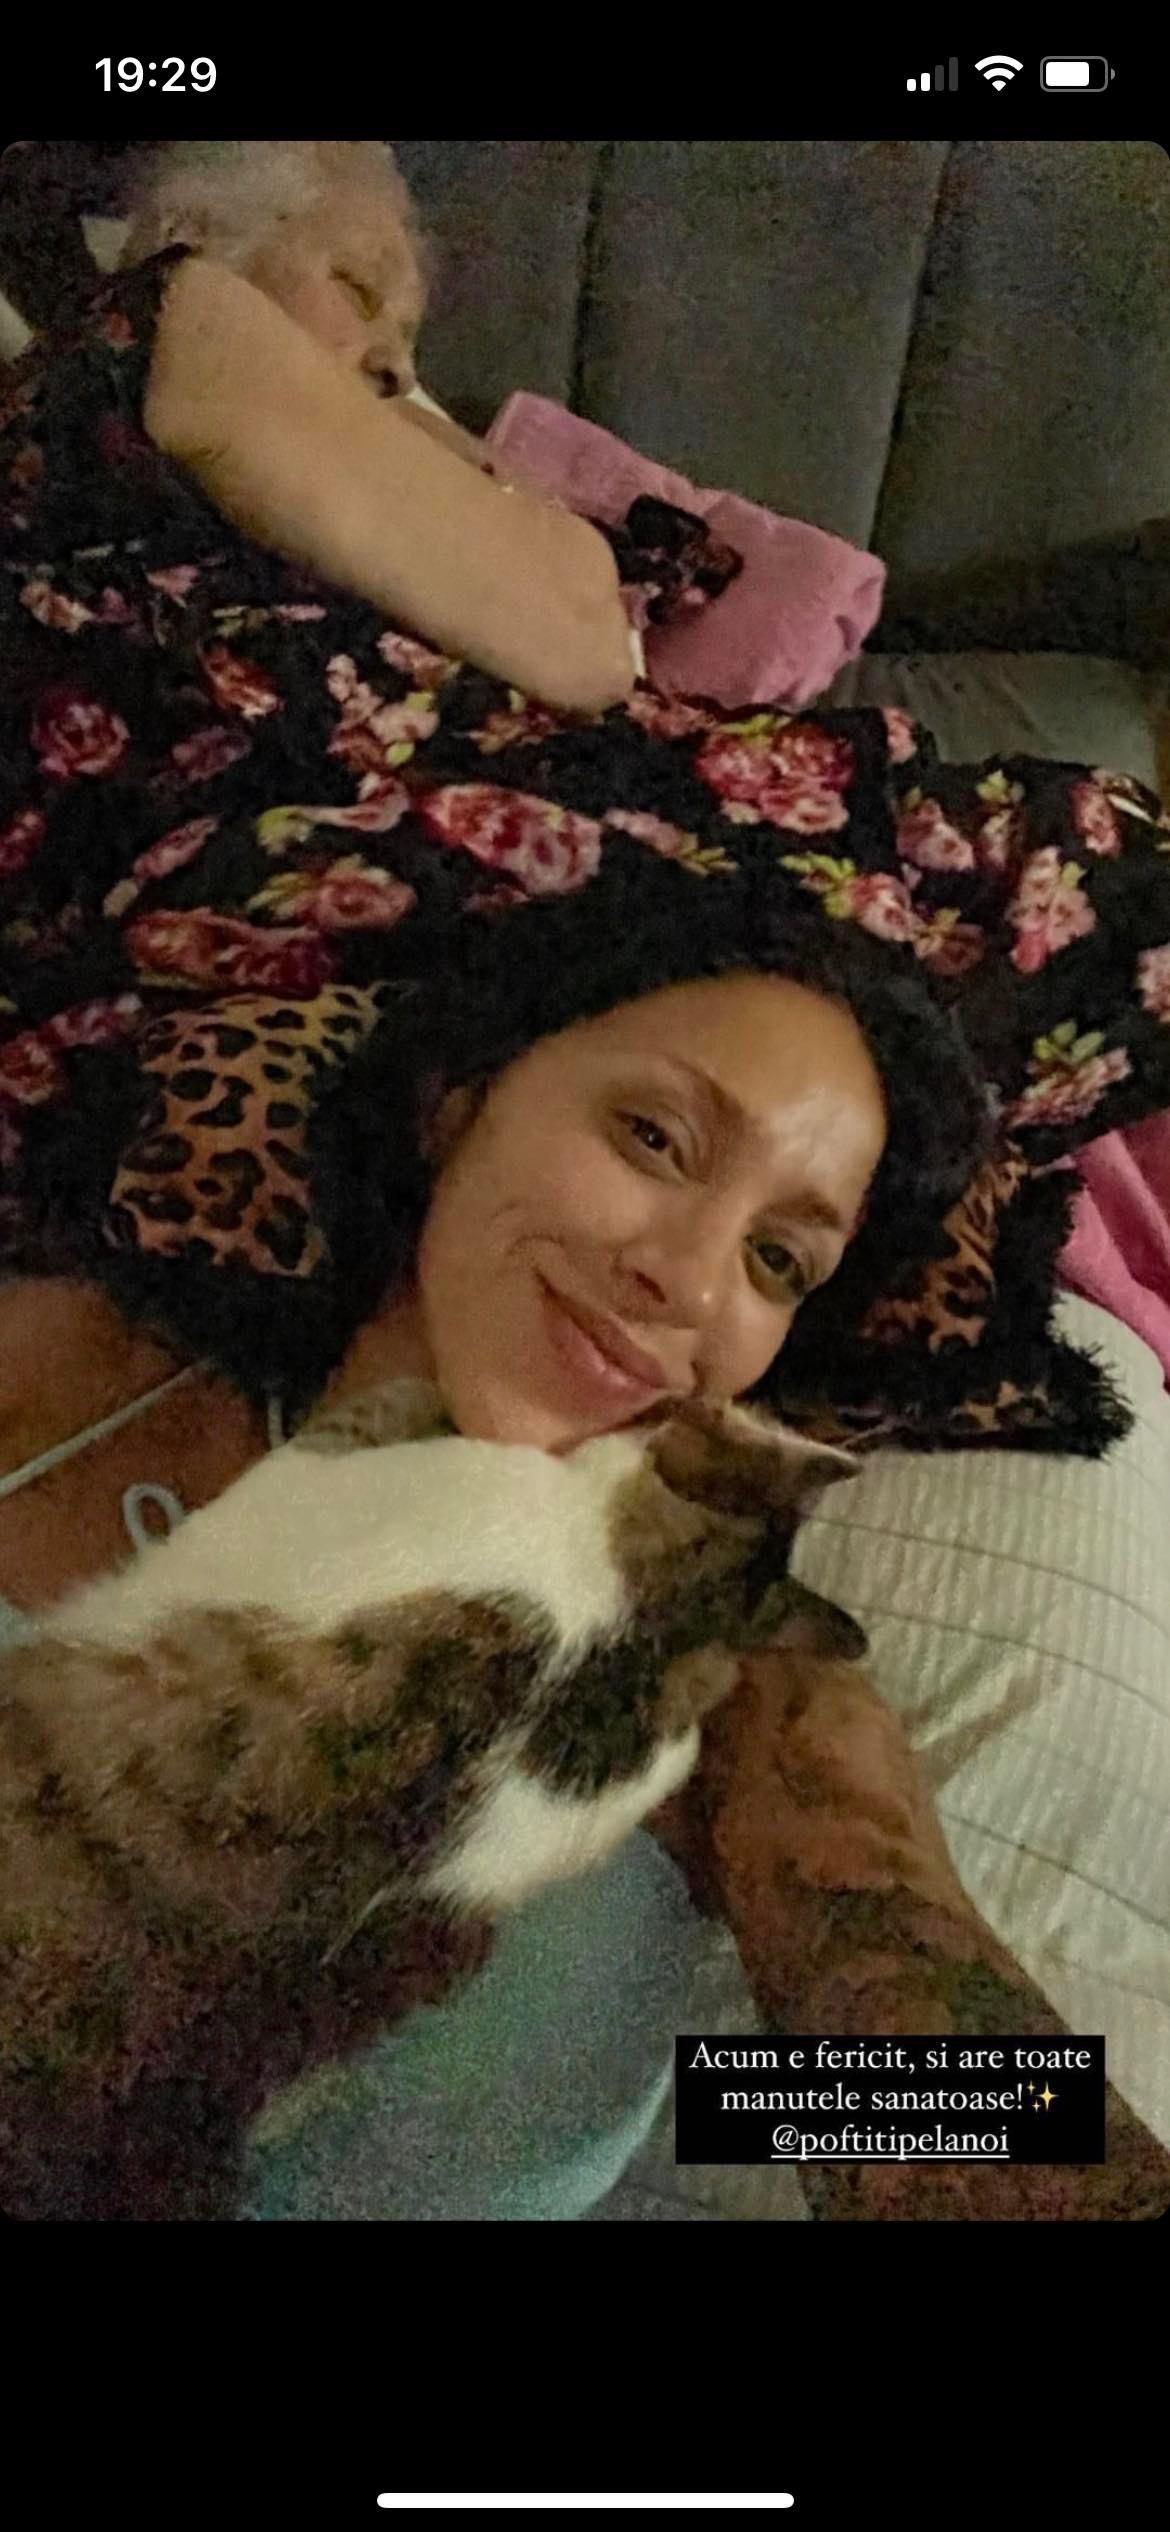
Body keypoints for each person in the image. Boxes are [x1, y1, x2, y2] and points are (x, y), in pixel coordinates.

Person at [2, 141, 1169, 2219]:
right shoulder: (80, 1329)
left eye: (783, 1261)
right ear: (456, 1096)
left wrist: (1001, 2131)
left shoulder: (704, 1655)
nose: (683, 1285)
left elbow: (867, 2001)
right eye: (649, 1136)